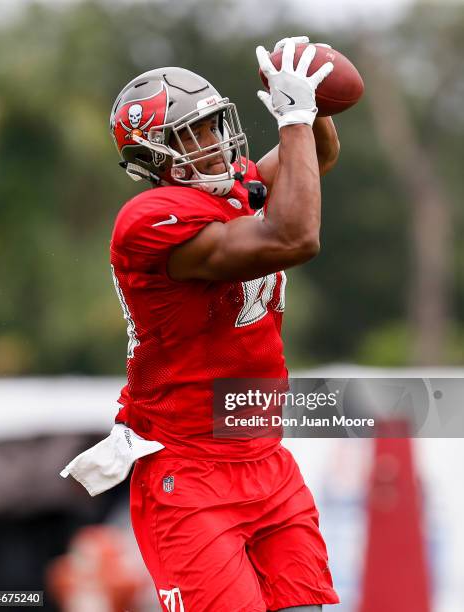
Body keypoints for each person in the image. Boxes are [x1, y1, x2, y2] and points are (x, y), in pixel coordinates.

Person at [109, 36, 340, 612]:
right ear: (154, 156)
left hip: (263, 455)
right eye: (192, 135)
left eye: (213, 127)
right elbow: (294, 235)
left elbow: (315, 160)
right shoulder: (150, 223)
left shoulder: (230, 188)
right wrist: (293, 120)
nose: (213, 145)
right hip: (188, 470)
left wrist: (312, 99)